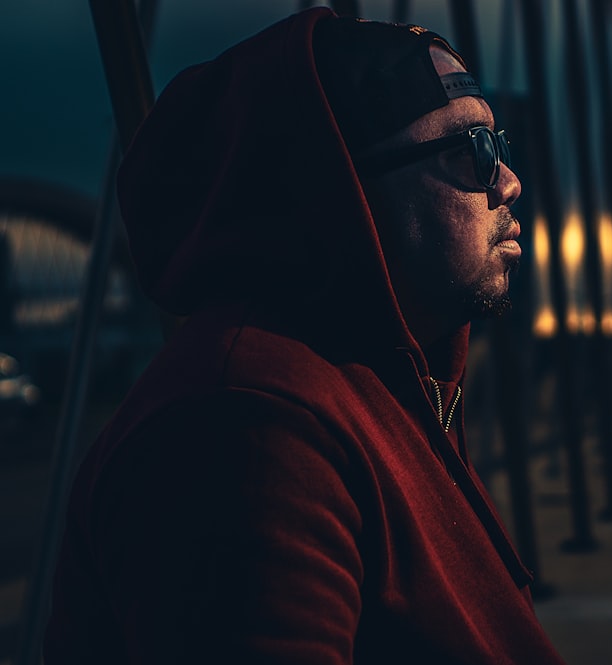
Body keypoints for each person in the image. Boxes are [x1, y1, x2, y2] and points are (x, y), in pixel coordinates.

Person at [45, 8, 566, 664]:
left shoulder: (381, 383)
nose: (510, 183)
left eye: (503, 147)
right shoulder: (243, 421)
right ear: (346, 185)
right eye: (473, 151)